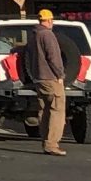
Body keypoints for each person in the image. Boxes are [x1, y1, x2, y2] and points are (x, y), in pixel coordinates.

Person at [28, 8, 68, 155]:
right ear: (50, 20)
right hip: (51, 78)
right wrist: (60, 75)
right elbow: (54, 57)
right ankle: (52, 144)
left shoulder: (34, 35)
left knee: (44, 111)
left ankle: (46, 141)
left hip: (38, 78)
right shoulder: (48, 35)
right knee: (57, 110)